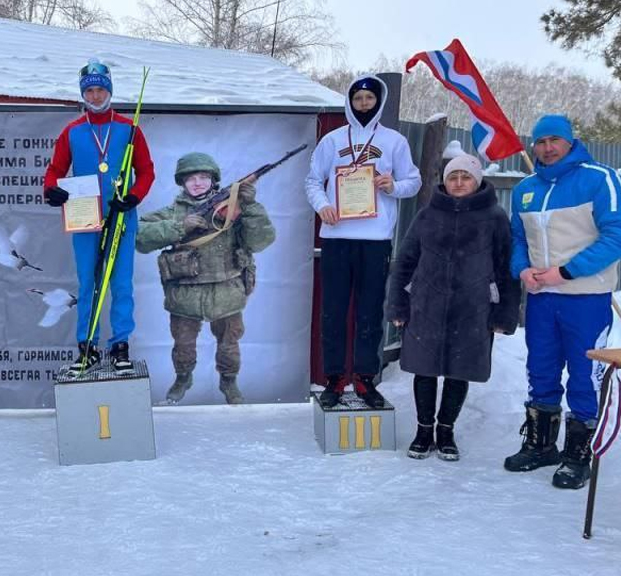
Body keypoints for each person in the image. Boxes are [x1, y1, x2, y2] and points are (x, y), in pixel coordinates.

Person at [504, 114, 621, 489]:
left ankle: (577, 453)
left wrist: (566, 272)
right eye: (540, 141)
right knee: (540, 368)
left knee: (585, 375)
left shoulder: (598, 178)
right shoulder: (525, 187)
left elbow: (615, 235)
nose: (547, 148)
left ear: (571, 141)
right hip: (540, 298)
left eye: (555, 140)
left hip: (585, 297)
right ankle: (541, 444)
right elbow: (518, 240)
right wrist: (522, 270)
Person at [387, 155, 520, 460]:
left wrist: (504, 313)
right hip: (426, 305)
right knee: (424, 369)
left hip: (473, 308)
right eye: (453, 177)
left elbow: (505, 268)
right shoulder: (427, 215)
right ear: (445, 181)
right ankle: (423, 430)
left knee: (459, 370)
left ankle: (445, 431)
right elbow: (405, 262)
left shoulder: (495, 216)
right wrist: (398, 305)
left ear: (477, 180)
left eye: (466, 177)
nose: (459, 182)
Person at [304, 74, 422, 408]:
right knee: (334, 311)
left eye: (370, 99)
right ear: (350, 102)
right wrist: (323, 206)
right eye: (358, 99)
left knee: (370, 311)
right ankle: (334, 378)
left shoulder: (395, 141)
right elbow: (313, 180)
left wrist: (392, 186)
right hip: (337, 236)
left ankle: (366, 379)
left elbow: (413, 180)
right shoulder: (331, 140)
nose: (364, 105)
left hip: (375, 239)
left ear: (378, 101)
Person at [43, 59, 155, 377]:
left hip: (120, 217)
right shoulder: (73, 132)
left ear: (109, 91)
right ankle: (87, 346)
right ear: (83, 94)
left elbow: (146, 170)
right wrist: (51, 190)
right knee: (89, 282)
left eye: (100, 90)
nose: (94, 96)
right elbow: (55, 170)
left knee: (120, 284)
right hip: (85, 218)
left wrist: (134, 197)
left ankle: (120, 346)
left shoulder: (128, 129)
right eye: (89, 91)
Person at [136, 152, 275, 404]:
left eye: (203, 177)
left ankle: (229, 382)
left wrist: (251, 207)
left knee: (229, 344)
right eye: (191, 178)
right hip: (185, 295)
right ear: (181, 182)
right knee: (183, 345)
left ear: (214, 180)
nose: (198, 183)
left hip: (227, 290)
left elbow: (261, 241)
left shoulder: (232, 209)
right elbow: (139, 236)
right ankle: (183, 378)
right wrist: (179, 226)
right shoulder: (172, 212)